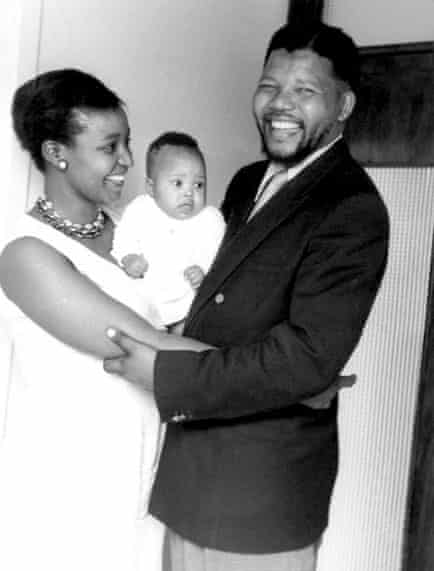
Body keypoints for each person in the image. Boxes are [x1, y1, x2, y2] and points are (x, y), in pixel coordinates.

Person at [103, 23, 390, 571]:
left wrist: (166, 373)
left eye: (305, 91)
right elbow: (219, 300)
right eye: (269, 86)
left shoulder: (353, 208)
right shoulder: (244, 180)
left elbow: (307, 357)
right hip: (192, 478)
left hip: (261, 498)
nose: (280, 104)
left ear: (344, 103)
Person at [0, 68, 213, 571]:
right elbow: (140, 341)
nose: (128, 162)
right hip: (66, 495)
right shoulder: (26, 254)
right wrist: (280, 377)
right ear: (56, 153)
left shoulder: (134, 239)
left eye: (127, 144)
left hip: (141, 478)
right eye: (110, 147)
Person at [112, 131, 226, 326]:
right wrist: (129, 257)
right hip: (145, 303)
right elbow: (123, 238)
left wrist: (203, 271)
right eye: (178, 183)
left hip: (188, 306)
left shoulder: (210, 219)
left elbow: (219, 254)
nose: (189, 193)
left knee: (193, 332)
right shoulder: (141, 209)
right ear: (151, 187)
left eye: (198, 184)